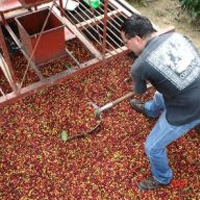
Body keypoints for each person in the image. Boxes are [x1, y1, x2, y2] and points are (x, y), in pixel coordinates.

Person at [120, 13, 200, 190]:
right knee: (159, 95)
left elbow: (139, 92)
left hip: (189, 110)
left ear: (137, 39)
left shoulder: (140, 65)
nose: (127, 47)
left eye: (126, 42)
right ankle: (150, 111)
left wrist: (139, 76)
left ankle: (162, 177)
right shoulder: (177, 36)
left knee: (152, 147)